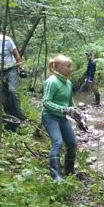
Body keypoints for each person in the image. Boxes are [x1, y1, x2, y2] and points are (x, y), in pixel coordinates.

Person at [41, 54, 79, 182]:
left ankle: (69, 170)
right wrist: (63, 109)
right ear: (57, 67)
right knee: (58, 141)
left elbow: (70, 103)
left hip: (62, 118)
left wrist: (77, 114)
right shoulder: (51, 82)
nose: (70, 69)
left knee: (72, 143)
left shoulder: (68, 82)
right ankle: (55, 175)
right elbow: (46, 102)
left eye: (71, 66)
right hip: (49, 116)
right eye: (68, 66)